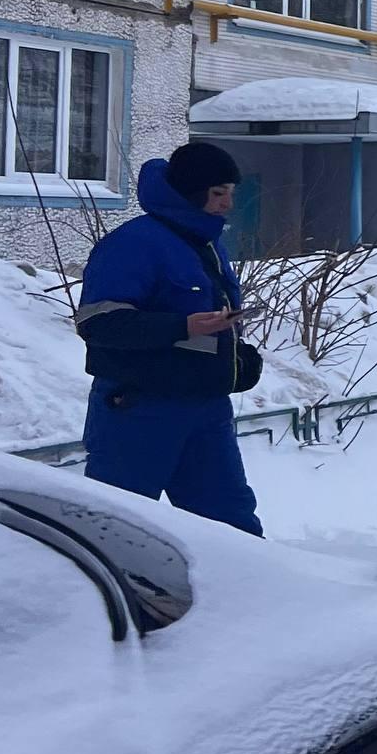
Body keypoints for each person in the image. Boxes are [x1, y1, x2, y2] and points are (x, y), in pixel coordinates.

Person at [74, 142, 264, 535]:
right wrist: (184, 327)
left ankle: (244, 595)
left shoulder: (206, 244)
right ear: (190, 192)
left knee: (232, 526)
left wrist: (234, 361)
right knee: (119, 530)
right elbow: (100, 325)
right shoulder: (135, 243)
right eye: (218, 193)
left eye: (231, 193)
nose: (228, 204)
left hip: (205, 411)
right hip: (139, 410)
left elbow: (208, 325)